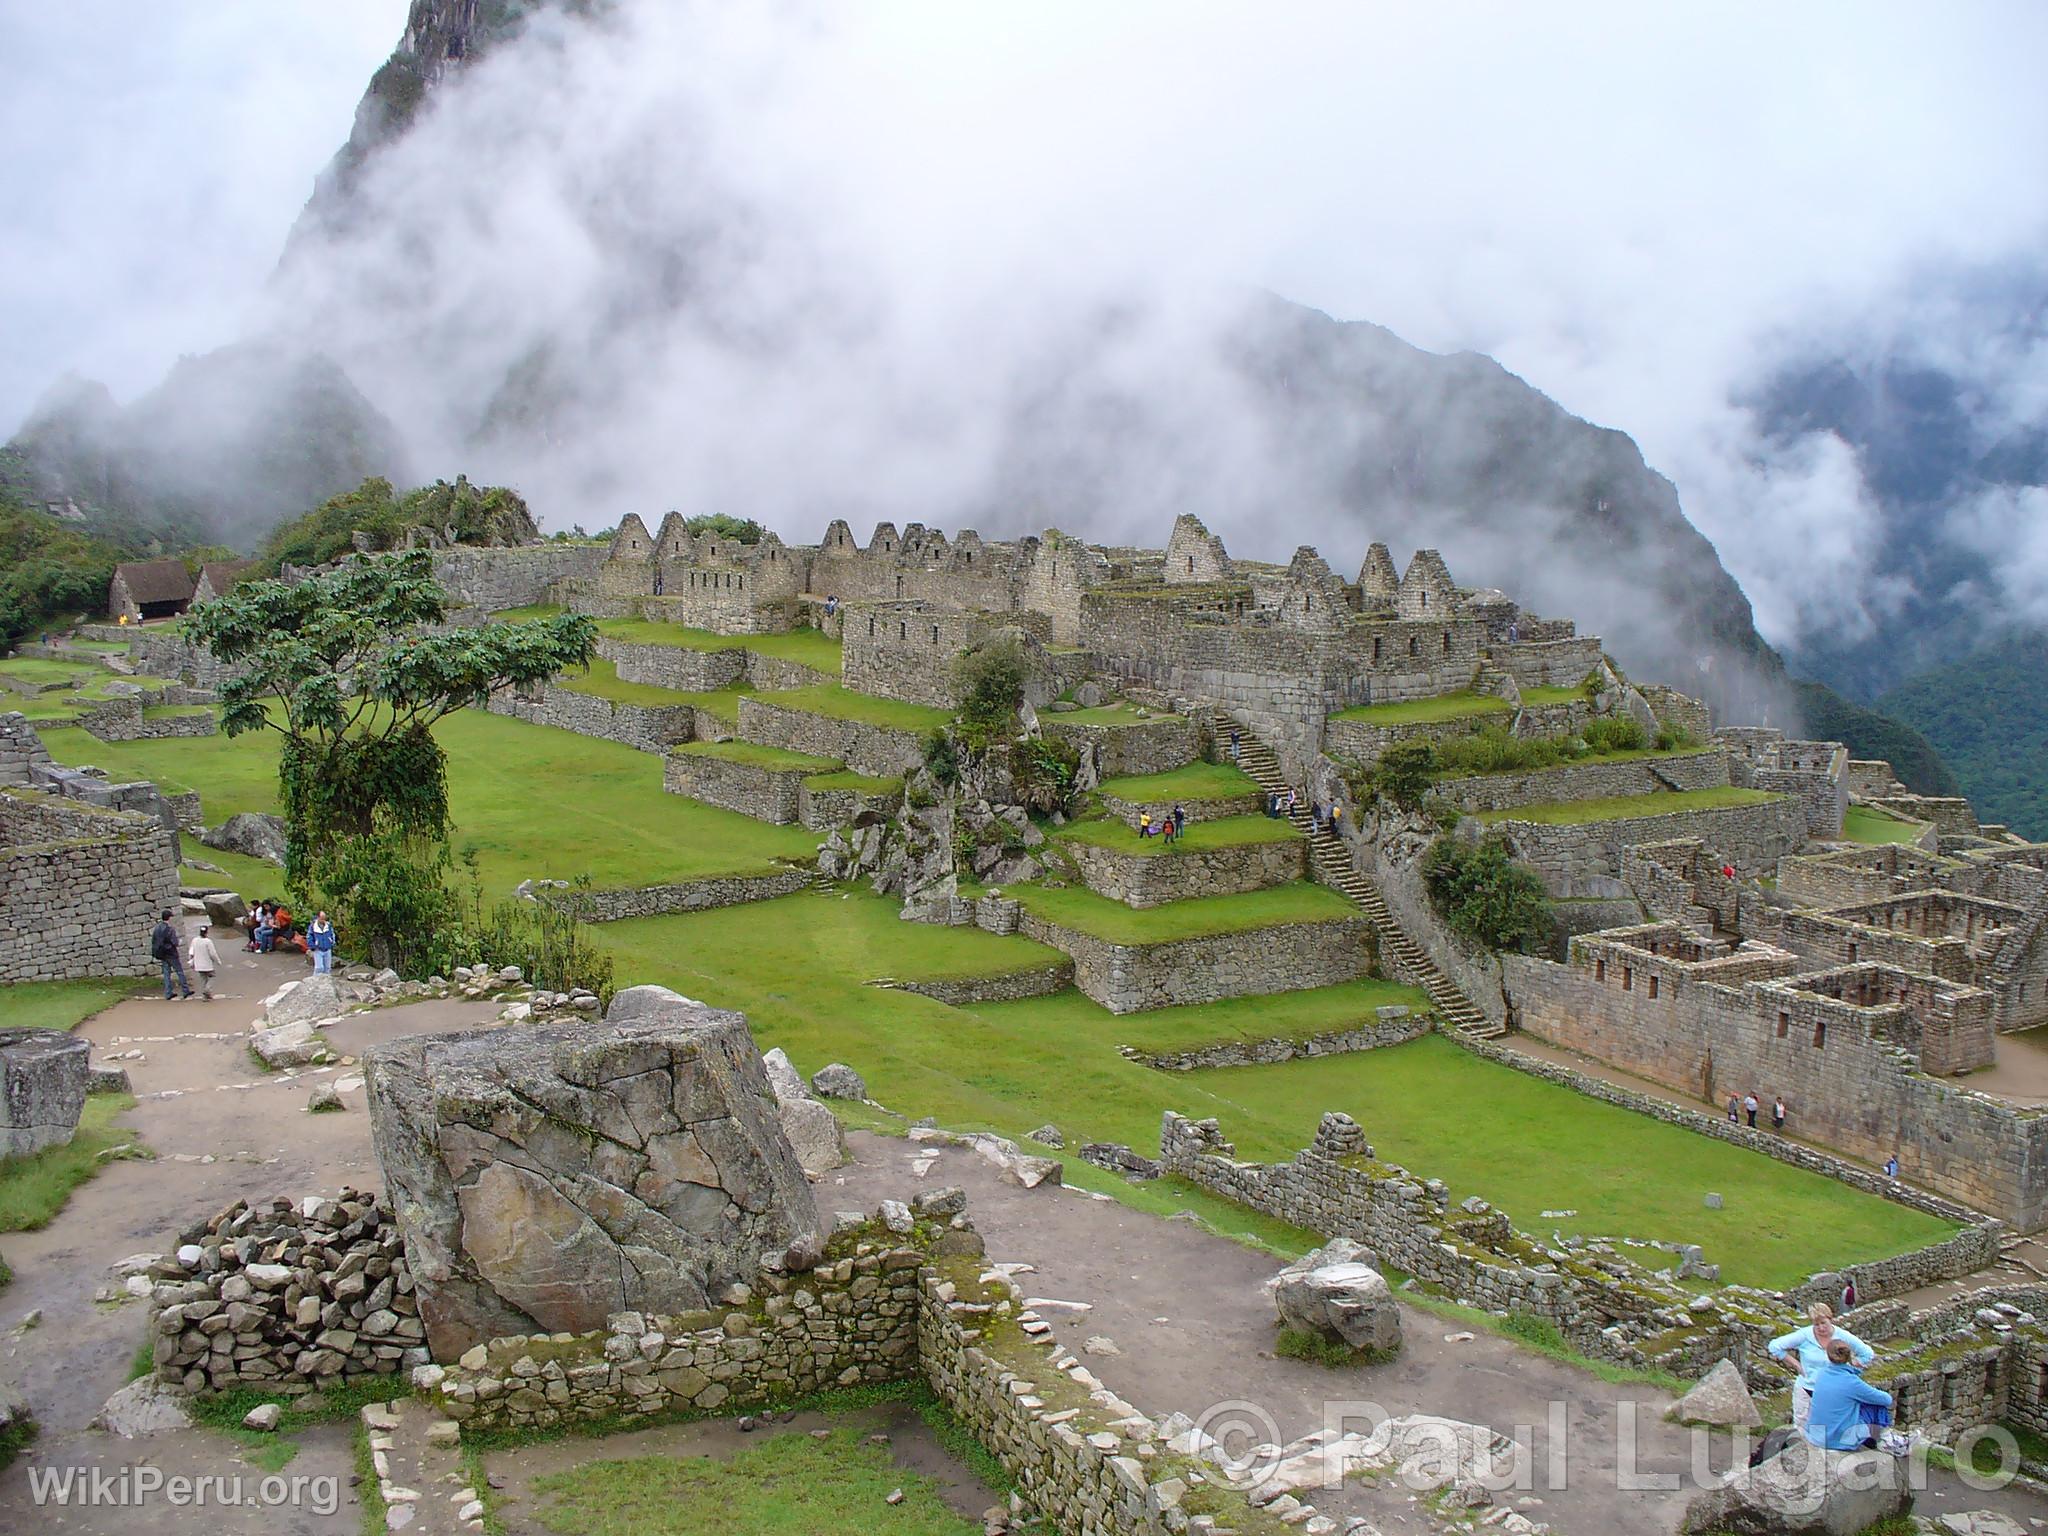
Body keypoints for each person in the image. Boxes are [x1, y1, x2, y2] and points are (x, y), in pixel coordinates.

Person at [1770, 1303, 1873, 1432]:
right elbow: (1775, 1346)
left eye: (1823, 1323)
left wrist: (1852, 1364)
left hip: (1832, 1391)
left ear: (1831, 1319)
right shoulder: (1804, 1335)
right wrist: (1796, 1364)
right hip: (1806, 1388)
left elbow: (1867, 1354)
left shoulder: (1842, 1336)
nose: (1821, 1328)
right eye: (1816, 1324)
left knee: (1828, 1425)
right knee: (1801, 1424)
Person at [1803, 1338, 1893, 1451]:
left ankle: (1873, 1441)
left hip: (1816, 1435)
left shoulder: (1822, 1373)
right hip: (1836, 1440)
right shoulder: (1851, 1382)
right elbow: (1887, 1400)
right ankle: (1884, 1441)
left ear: (1828, 1355)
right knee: (1877, 1406)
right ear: (1850, 1356)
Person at [151, 910, 193, 1000]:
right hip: (172, 954)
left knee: (166, 974)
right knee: (179, 972)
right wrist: (178, 942)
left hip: (162, 954)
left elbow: (154, 941)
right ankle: (185, 990)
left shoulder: (157, 928)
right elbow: (175, 942)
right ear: (169, 918)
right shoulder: (170, 929)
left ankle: (168, 993)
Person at [188, 923, 220, 1000]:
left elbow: (191, 952)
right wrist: (218, 961)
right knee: (212, 977)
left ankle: (206, 995)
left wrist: (191, 961)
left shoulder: (194, 940)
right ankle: (207, 990)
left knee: (203, 979)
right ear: (206, 932)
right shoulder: (208, 941)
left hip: (198, 964)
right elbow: (212, 953)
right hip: (207, 964)